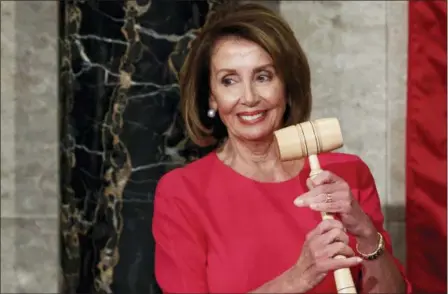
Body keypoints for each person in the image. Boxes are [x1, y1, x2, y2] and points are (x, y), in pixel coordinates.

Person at [152, 3, 411, 293]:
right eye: (229, 81)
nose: (249, 97)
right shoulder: (182, 192)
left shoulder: (346, 173)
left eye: (263, 76)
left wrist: (365, 232)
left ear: (287, 86)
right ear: (211, 97)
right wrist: (297, 278)